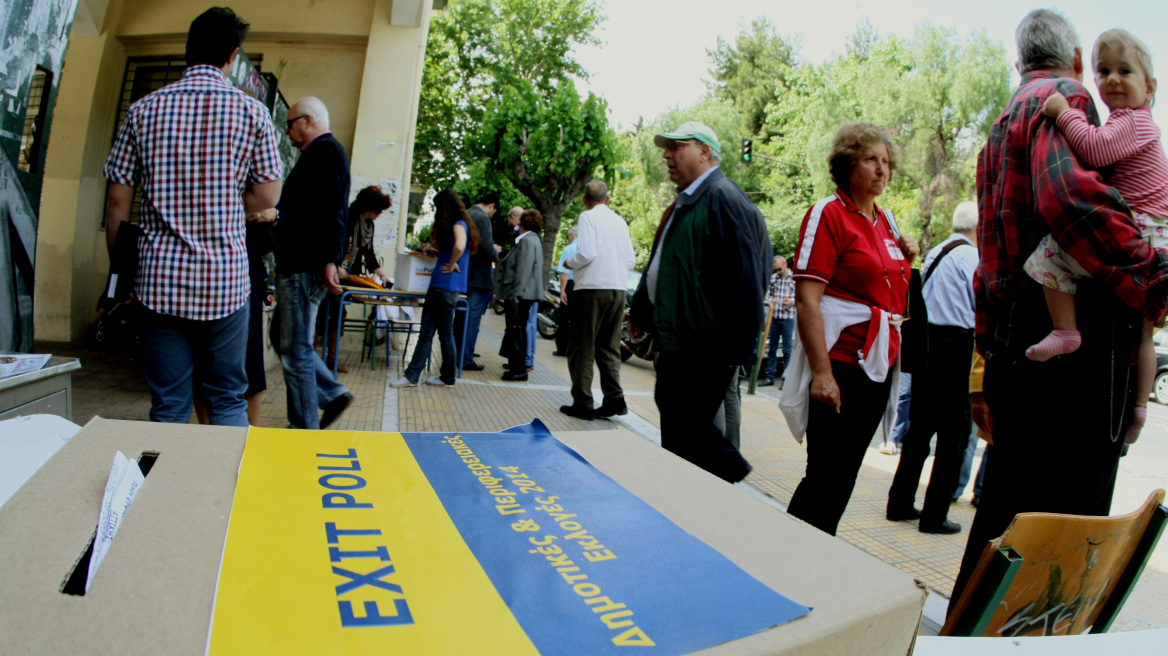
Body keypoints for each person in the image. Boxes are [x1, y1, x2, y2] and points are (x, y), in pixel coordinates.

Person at [951, 9, 1168, 610]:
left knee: (1005, 517)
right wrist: (1155, 277)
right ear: (1077, 63)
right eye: (1100, 71)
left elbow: (992, 260)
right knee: (1064, 526)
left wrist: (984, 364)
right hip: (1066, 359)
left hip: (1016, 343)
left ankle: (966, 637)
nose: (1103, 83)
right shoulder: (1063, 97)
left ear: (1019, 62)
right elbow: (1068, 200)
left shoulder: (1000, 122)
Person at [102, 7, 282, 427]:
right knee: (227, 400)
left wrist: (123, 269)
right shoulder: (253, 113)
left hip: (158, 280)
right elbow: (267, 195)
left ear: (188, 51)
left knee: (168, 404)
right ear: (233, 55)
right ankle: (225, 490)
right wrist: (220, 207)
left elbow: (116, 203)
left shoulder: (143, 110)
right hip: (226, 281)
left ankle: (171, 491)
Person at [1025, 28, 1167, 444]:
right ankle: (1138, 407)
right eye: (1103, 71)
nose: (1113, 80)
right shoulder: (1133, 122)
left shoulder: (1135, 122)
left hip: (1142, 226)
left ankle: (1065, 329)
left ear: (1150, 86)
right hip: (1155, 232)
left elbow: (1094, 149)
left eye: (1125, 71)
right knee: (1141, 332)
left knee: (1048, 255)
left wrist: (1061, 112)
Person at [780, 122, 920, 536]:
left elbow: (891, 290)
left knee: (844, 476)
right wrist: (822, 374)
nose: (882, 169)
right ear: (846, 164)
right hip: (840, 364)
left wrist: (907, 257)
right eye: (870, 160)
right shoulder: (830, 213)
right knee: (824, 475)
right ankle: (791, 558)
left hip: (876, 367)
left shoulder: (888, 221)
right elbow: (808, 298)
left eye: (886, 162)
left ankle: (817, 555)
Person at [628, 121, 770, 483]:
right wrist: (642, 307)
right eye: (667, 148)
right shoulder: (686, 201)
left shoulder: (724, 198)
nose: (666, 154)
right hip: (678, 337)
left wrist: (736, 349)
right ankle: (684, 499)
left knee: (687, 424)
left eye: (677, 146)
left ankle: (729, 474)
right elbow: (663, 258)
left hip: (706, 343)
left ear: (705, 152)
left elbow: (749, 280)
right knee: (675, 418)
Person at [886, 201, 979, 535]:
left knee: (919, 429)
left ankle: (899, 502)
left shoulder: (939, 250)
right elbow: (979, 305)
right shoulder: (971, 257)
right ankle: (934, 515)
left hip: (927, 344)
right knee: (955, 435)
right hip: (955, 347)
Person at [274, 95, 353, 429]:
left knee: (295, 349)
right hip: (302, 264)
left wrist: (329, 259)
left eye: (289, 123)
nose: (287, 131)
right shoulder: (322, 153)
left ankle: (304, 429)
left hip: (303, 267)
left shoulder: (324, 151)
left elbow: (331, 210)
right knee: (284, 339)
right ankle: (332, 393)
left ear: (306, 120)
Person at [559, 181, 636, 420]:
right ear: (608, 199)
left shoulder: (587, 217)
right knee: (609, 346)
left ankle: (583, 403)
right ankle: (614, 399)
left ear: (585, 199)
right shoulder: (620, 221)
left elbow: (586, 253)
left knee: (582, 347)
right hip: (617, 289)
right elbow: (630, 260)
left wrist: (569, 263)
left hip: (591, 289)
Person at [392, 189, 480, 388]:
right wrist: (439, 253)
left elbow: (459, 246)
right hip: (448, 288)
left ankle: (413, 376)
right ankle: (444, 377)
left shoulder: (458, 225)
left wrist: (450, 263)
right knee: (443, 334)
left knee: (430, 334)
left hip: (443, 285)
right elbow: (456, 247)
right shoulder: (462, 224)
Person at [318, 185, 391, 373]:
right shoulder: (347, 217)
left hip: (347, 274)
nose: (379, 214)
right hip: (330, 271)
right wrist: (335, 265)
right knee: (329, 311)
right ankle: (324, 357)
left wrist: (382, 274)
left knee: (338, 312)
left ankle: (331, 358)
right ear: (369, 207)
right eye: (378, 210)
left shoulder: (368, 225)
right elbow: (331, 242)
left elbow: (368, 253)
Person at [498, 209, 544, 382]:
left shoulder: (527, 241)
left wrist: (514, 296)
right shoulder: (533, 240)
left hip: (522, 294)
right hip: (527, 293)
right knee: (518, 329)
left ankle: (518, 370)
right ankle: (517, 366)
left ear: (522, 223)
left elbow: (523, 271)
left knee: (516, 329)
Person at [456, 193, 499, 371]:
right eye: (494, 212)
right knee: (471, 321)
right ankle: (465, 359)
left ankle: (457, 355)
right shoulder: (483, 218)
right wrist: (497, 253)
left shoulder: (465, 214)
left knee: (460, 319)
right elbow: (487, 249)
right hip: (479, 278)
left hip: (463, 276)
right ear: (492, 206)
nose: (492, 215)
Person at [759, 255, 796, 387]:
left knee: (787, 350)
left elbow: (801, 296)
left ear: (785, 264)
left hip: (787, 317)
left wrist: (791, 301)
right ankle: (770, 377)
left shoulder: (794, 279)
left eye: (780, 269)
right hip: (774, 317)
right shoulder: (774, 278)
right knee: (772, 349)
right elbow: (769, 295)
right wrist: (771, 300)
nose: (778, 272)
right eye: (776, 270)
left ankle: (786, 380)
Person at [553, 225, 579, 357]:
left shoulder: (569, 249)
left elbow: (564, 272)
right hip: (584, 286)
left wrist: (562, 291)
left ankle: (562, 348)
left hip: (571, 285)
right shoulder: (590, 248)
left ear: (572, 236)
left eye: (568, 237)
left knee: (564, 318)